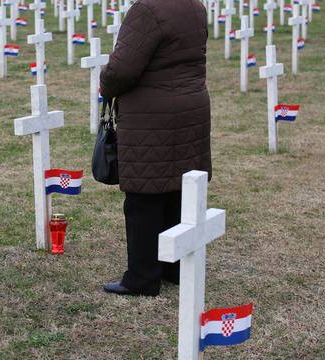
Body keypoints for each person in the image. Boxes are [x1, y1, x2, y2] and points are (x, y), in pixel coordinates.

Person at [100, 0, 211, 296]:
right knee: (178, 190)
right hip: (191, 107)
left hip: (153, 116)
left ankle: (142, 277)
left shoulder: (147, 10)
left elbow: (122, 70)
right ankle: (173, 267)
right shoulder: (195, 6)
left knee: (144, 199)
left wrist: (105, 84)